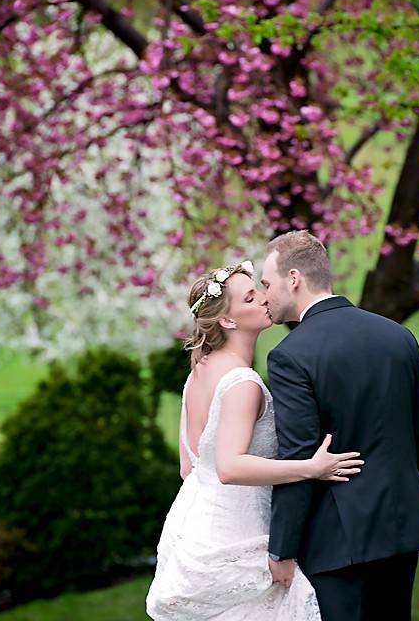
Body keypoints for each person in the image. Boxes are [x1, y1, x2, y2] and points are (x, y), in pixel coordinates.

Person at [146, 259, 363, 620]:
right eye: (250, 298)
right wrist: (311, 468)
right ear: (228, 320)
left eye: (259, 290)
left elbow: (191, 465)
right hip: (237, 532)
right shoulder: (241, 382)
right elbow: (228, 466)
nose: (264, 299)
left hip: (194, 523)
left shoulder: (199, 371)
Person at [261, 231, 419, 621]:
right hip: (400, 523)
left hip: (336, 538)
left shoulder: (290, 355)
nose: (264, 295)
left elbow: (299, 453)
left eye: (267, 283)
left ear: (294, 278)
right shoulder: (398, 336)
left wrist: (283, 548)